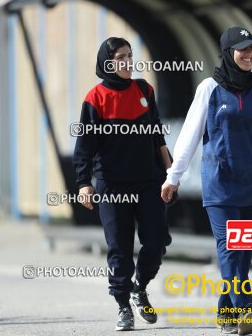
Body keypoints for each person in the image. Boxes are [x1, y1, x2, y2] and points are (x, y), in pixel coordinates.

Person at [161, 26, 252, 335]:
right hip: (220, 183)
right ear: (228, 52)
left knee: (242, 252)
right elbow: (188, 137)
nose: (249, 54)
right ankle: (245, 309)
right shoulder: (209, 89)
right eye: (242, 49)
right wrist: (173, 177)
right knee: (228, 247)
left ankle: (226, 314)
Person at [73, 37, 172, 331]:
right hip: (112, 186)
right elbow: (85, 146)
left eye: (130, 55)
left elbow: (158, 137)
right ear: (108, 62)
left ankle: (139, 287)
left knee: (156, 242)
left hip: (148, 182)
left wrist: (171, 173)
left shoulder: (144, 89)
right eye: (121, 57)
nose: (128, 62)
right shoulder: (95, 98)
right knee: (119, 247)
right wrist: (83, 183)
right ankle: (122, 306)